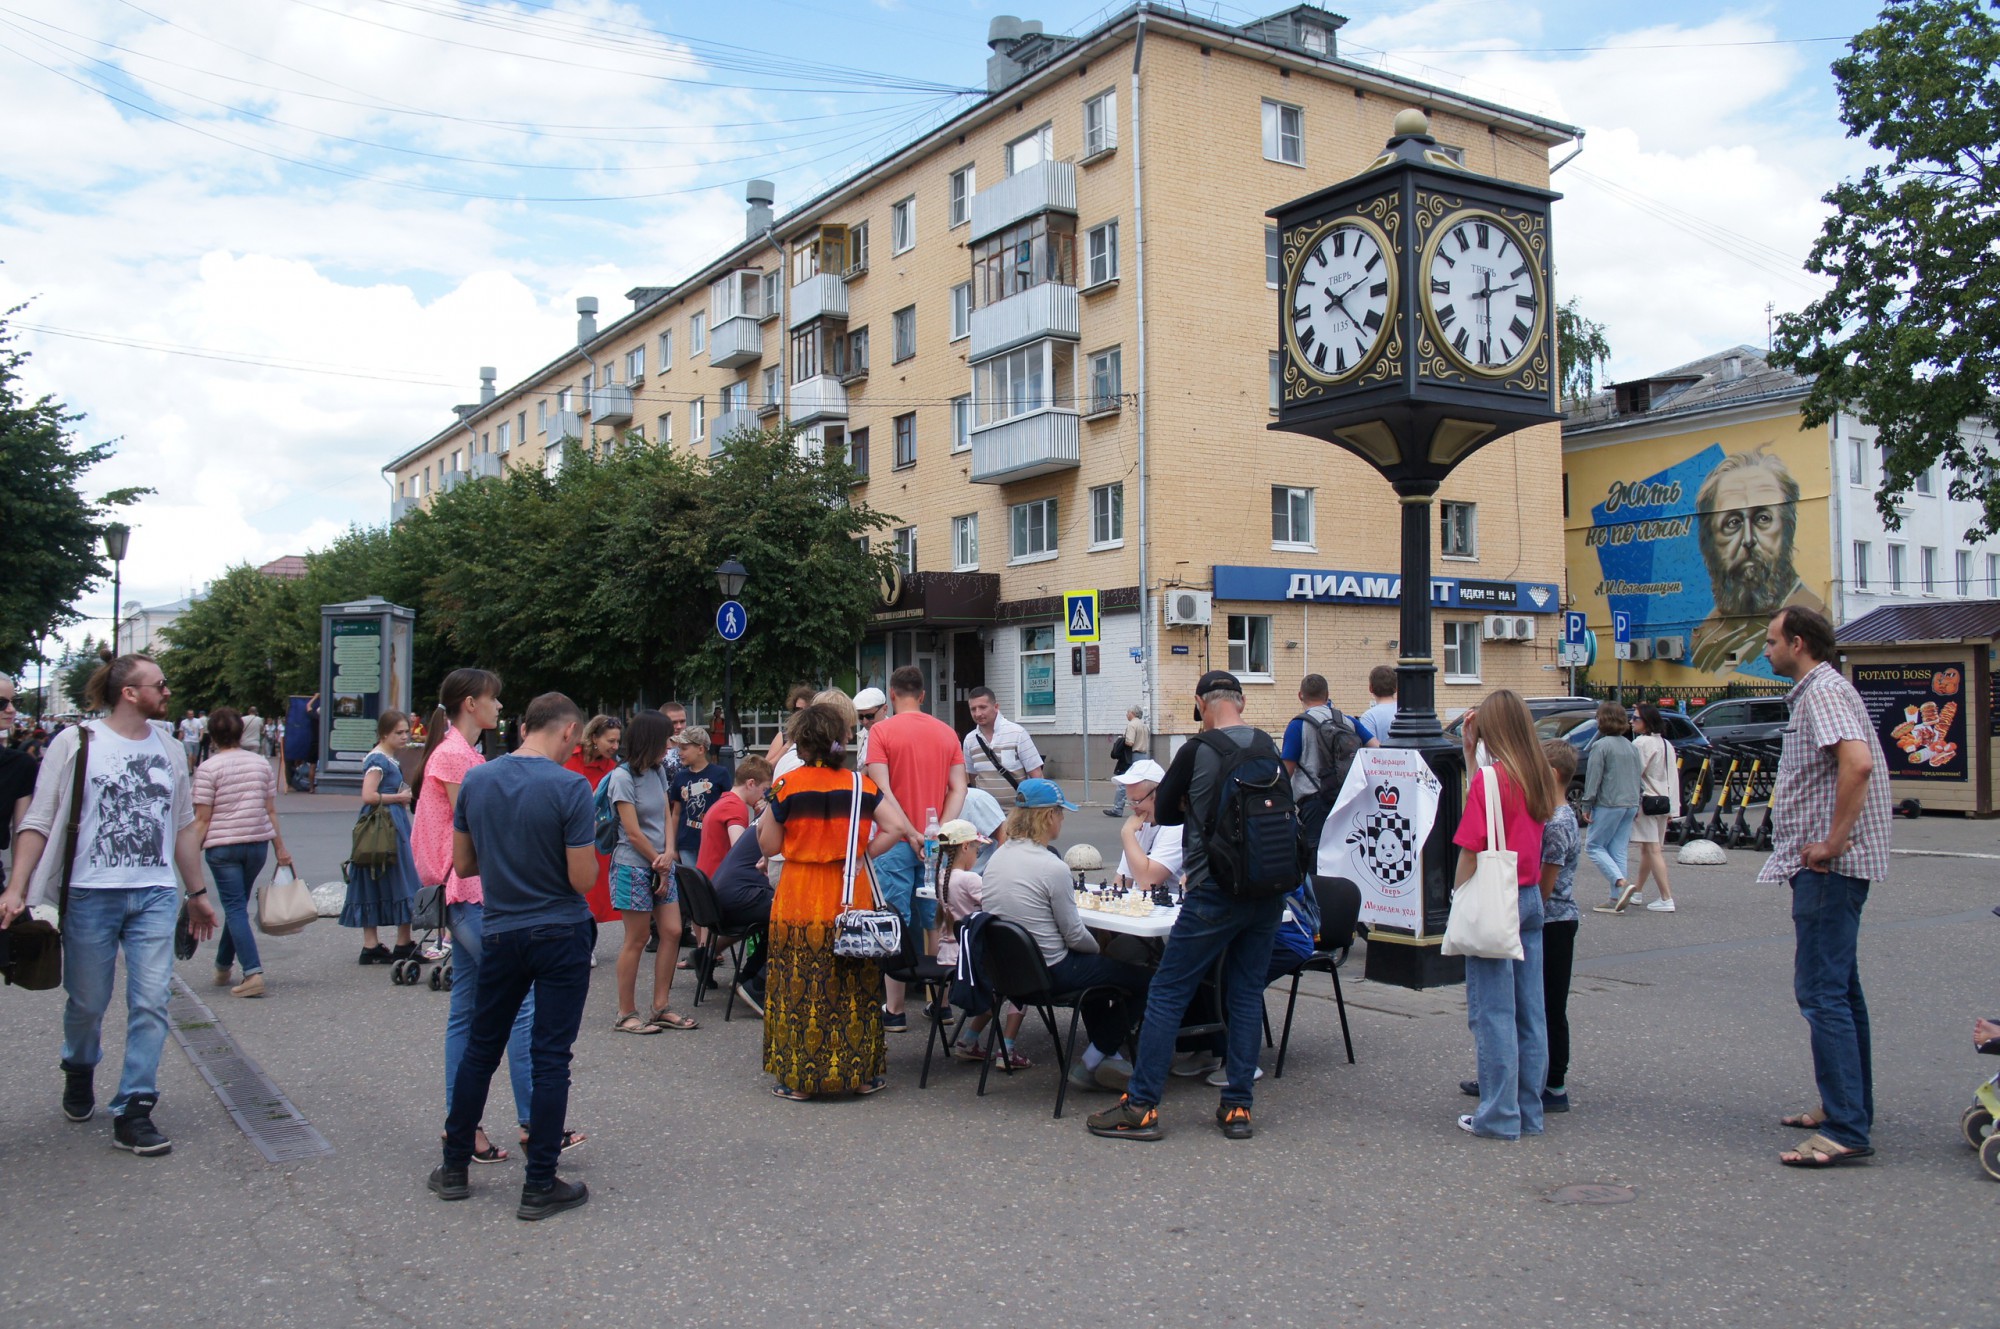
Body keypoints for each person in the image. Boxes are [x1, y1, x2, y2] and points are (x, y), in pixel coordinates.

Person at [0, 654, 218, 1156]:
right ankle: (79, 1066)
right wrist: (17, 886)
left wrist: (197, 892)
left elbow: (184, 826)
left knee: (151, 1000)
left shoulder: (168, 747)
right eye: (158, 684)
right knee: (88, 1002)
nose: (167, 691)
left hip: (155, 892)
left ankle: (134, 1107)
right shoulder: (76, 743)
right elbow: (38, 819)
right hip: (90, 892)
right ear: (128, 692)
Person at [1089, 671, 1286, 1143]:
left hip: (1214, 890)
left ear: (1201, 704)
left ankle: (1141, 1107)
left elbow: (1169, 812)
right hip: (1268, 890)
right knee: (1243, 993)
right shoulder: (1267, 745)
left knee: (1168, 991)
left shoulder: (1198, 751)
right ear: (1241, 701)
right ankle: (1238, 1107)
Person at [429, 692, 597, 1220]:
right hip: (560, 932)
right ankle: (539, 1183)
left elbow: (463, 862)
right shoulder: (570, 786)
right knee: (550, 1056)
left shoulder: (478, 780)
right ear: (568, 732)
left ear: (526, 725)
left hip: (500, 928)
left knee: (482, 1047)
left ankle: (455, 1166)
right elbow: (581, 878)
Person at [1760, 606, 1891, 1168]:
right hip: (1827, 868)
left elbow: (1856, 764)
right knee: (1841, 990)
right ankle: (1848, 1106)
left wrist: (1833, 843)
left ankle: (1846, 1127)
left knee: (1821, 992)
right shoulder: (1823, 691)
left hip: (1827, 870)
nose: (1765, 651)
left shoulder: (1823, 691)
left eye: (1771, 641)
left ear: (1798, 642)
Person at [757, 701, 924, 1101]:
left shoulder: (787, 786)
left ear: (801, 743)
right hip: (851, 894)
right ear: (840, 741)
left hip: (799, 896)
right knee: (854, 986)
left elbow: (769, 842)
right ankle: (859, 1076)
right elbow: (897, 827)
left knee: (802, 988)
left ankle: (799, 1081)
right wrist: (862, 852)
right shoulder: (859, 785)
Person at [414, 668, 540, 1165]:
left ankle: (462, 1129)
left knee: (465, 1012)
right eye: (494, 700)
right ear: (471, 703)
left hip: (463, 890)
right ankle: (535, 1122)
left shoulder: (461, 754)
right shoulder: (454, 756)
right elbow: (478, 829)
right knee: (521, 1002)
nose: (499, 709)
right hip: (470, 891)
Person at [983, 779, 1151, 1093]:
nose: (1063, 819)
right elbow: (1074, 936)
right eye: (1061, 813)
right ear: (1048, 817)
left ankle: (1108, 1055)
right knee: (1147, 981)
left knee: (1099, 975)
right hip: (1052, 973)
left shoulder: (997, 858)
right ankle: (1090, 1060)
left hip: (1008, 975)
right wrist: (1099, 949)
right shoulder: (1051, 866)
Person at [1452, 689, 1561, 1141]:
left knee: (1491, 1012)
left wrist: (1459, 896)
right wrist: (1470, 753)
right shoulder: (1537, 772)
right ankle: (1527, 1111)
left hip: (1496, 898)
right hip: (1531, 894)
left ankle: (1497, 1115)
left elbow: (1471, 850)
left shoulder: (1490, 780)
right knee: (1528, 1013)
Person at [1463, 738, 1582, 1112]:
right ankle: (1522, 1089)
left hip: (1553, 918)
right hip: (1542, 914)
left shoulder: (1559, 820)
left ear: (1553, 774)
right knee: (1529, 1006)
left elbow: (1548, 879)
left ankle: (1553, 1082)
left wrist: (1526, 910)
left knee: (1543, 1005)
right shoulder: (1551, 811)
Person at [863, 665, 967, 1032]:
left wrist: (908, 831)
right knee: (937, 917)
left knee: (895, 917)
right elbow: (959, 788)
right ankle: (941, 1005)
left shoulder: (880, 731)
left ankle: (894, 1009)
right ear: (923, 695)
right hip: (936, 841)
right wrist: (939, 831)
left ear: (891, 695)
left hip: (895, 840)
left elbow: (881, 789)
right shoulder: (947, 732)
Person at [606, 710, 696, 1034]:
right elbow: (631, 832)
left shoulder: (657, 772)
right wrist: (659, 859)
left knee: (672, 930)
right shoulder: (622, 777)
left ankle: (660, 1006)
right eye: (665, 740)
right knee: (638, 938)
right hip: (633, 864)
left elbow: (666, 813)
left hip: (660, 863)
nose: (669, 747)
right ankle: (626, 1012)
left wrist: (669, 853)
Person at [193, 706, 292, 997]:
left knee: (235, 907)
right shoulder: (261, 764)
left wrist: (191, 856)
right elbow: (270, 810)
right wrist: (281, 848)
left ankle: (252, 972)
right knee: (237, 904)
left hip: (222, 847)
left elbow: (202, 819)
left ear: (212, 736)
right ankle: (223, 966)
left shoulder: (208, 768)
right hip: (257, 844)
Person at [933, 818, 1030, 1067]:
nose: (978, 854)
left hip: (949, 954)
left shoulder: (942, 877)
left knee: (997, 990)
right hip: (971, 959)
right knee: (1020, 982)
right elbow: (997, 907)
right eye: (976, 849)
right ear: (965, 848)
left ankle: (969, 1040)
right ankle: (1007, 1048)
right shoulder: (970, 880)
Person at [342, 710, 420, 963]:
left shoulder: (387, 758)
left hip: (387, 821)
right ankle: (400, 942)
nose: (404, 736)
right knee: (402, 876)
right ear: (384, 733)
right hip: (383, 823)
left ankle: (374, 944)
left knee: (380, 877)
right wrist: (398, 798)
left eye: (406, 731)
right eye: (399, 732)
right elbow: (368, 795)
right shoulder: (378, 759)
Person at [698, 757, 775, 1013]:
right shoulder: (737, 808)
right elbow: (736, 842)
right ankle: (757, 983)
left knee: (772, 918)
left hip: (716, 893)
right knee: (791, 917)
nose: (766, 793)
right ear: (751, 783)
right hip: (736, 895)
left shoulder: (730, 803)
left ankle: (748, 978)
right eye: (766, 787)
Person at [1281, 673, 1361, 848]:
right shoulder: (1347, 721)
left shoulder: (1297, 725)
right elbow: (1375, 746)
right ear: (1327, 695)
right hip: (1346, 798)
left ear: (1300, 695)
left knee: (1314, 855)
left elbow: (1287, 770)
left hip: (1313, 802)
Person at [1580, 701, 1643, 914]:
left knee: (1594, 846)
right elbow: (1638, 778)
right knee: (1618, 849)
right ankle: (1616, 898)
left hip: (1609, 802)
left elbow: (1594, 778)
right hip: (1630, 803)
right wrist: (1637, 801)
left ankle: (1620, 884)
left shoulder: (1601, 746)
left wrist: (1586, 804)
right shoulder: (1631, 746)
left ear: (1603, 720)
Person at [564, 715, 623, 935]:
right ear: (594, 738)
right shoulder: (569, 756)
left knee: (593, 890)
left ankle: (586, 938)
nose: (615, 746)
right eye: (611, 741)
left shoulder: (611, 768)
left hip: (593, 834)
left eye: (618, 741)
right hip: (564, 828)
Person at [1627, 703, 1681, 913]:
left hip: (1647, 801)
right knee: (1648, 849)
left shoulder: (1641, 743)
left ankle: (1666, 897)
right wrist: (1673, 808)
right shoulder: (1666, 744)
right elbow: (1671, 777)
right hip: (1663, 801)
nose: (1631, 722)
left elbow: (1635, 772)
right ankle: (1638, 892)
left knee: (1651, 849)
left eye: (1635, 718)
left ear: (1647, 722)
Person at [1111, 759, 1181, 893]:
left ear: (1158, 794)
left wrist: (1127, 833)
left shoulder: (1177, 825)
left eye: (1137, 801)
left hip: (1173, 910)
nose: (1132, 808)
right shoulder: (1142, 825)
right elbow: (1122, 880)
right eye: (1129, 801)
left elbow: (1148, 882)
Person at [962, 687, 1044, 792]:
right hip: (986, 807)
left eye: (983, 707)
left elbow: (1037, 775)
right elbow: (973, 778)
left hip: (1018, 807)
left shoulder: (1017, 733)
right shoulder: (969, 740)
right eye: (973, 709)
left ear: (996, 707)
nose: (978, 713)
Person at [0, 677, 37, 888]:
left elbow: (22, 831)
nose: (11, 710)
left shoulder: (19, 765)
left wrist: (18, 888)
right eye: (1, 703)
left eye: (15, 701)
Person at [667, 730, 723, 871]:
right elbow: (676, 813)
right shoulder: (680, 777)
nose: (680, 752)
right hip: (686, 843)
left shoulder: (720, 774)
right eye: (679, 748)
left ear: (700, 749)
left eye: (684, 748)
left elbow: (727, 808)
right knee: (691, 886)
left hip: (712, 843)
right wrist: (672, 848)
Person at [1107, 705, 1150, 815]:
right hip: (1144, 756)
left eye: (1128, 712)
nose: (1127, 714)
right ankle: (1146, 807)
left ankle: (1117, 809)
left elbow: (1129, 742)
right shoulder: (1144, 725)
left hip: (1133, 756)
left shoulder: (1132, 725)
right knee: (1142, 783)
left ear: (1133, 713)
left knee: (1123, 782)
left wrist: (1121, 740)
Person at [764, 684, 816, 767]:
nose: (801, 714)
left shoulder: (819, 736)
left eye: (806, 710)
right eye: (797, 710)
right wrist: (787, 746)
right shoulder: (784, 735)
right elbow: (764, 769)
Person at [1358, 664, 1399, 747]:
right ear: (1396, 688)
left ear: (1370, 688)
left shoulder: (1368, 717)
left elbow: (1370, 751)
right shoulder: (1405, 711)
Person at [852, 686, 887, 765]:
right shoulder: (863, 733)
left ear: (885, 709)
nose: (865, 722)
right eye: (860, 717)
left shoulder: (894, 735)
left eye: (869, 716)